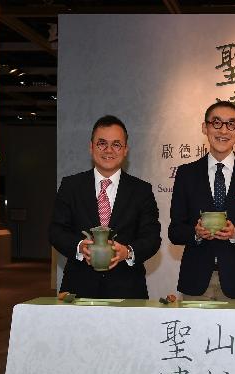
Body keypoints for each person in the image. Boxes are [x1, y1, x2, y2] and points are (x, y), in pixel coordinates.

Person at [168, 101, 235, 299]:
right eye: (216, 123)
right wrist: (196, 233)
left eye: (231, 124)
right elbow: (175, 232)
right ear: (204, 127)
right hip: (196, 283)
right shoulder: (186, 174)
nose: (223, 130)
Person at [49, 115, 161, 299]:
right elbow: (55, 230)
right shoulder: (71, 186)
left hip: (128, 289)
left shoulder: (141, 190)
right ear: (91, 147)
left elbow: (152, 237)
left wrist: (128, 252)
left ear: (125, 150)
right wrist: (79, 247)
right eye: (102, 143)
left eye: (116, 144)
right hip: (78, 288)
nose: (109, 150)